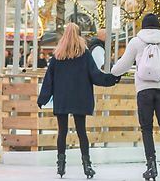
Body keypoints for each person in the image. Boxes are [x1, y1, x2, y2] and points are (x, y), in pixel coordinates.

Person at [37, 23, 120, 178]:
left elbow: (49, 79)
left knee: (62, 132)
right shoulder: (85, 55)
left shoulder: (57, 56)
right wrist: (111, 79)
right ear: (79, 35)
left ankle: (60, 165)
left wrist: (43, 99)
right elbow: (95, 75)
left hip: (62, 98)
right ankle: (87, 165)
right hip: (80, 98)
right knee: (81, 132)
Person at [112, 13, 160, 181]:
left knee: (147, 129)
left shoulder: (136, 42)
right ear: (159, 26)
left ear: (143, 26)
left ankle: (151, 167)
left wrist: (112, 72)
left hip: (144, 90)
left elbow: (123, 65)